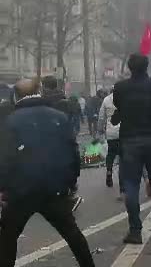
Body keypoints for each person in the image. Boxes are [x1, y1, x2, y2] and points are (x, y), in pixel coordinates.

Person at [0, 79, 95, 267]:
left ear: (16, 96)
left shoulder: (10, 121)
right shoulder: (59, 117)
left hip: (22, 190)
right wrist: (71, 181)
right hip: (54, 187)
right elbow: (72, 151)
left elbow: (6, 157)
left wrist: (3, 187)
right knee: (71, 232)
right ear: (40, 91)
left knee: (8, 237)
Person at [112, 53, 151, 244]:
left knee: (130, 185)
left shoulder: (120, 88)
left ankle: (135, 230)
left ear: (129, 67)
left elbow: (118, 107)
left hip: (130, 141)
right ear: (147, 66)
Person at [41, 75, 83, 211]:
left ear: (45, 86)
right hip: (63, 138)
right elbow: (70, 119)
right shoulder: (64, 100)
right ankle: (69, 190)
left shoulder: (43, 101)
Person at [99, 87, 124, 199]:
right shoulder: (124, 99)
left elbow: (101, 117)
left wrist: (100, 130)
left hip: (111, 132)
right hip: (123, 132)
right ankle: (123, 184)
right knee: (123, 157)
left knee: (111, 153)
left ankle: (109, 171)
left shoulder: (106, 100)